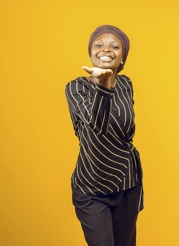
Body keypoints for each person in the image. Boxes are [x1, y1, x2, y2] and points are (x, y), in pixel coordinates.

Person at [65, 25, 144, 246]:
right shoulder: (76, 88)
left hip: (126, 183)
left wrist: (110, 83)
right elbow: (96, 127)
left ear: (122, 58)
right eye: (98, 45)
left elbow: (126, 131)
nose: (105, 50)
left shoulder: (126, 84)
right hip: (92, 188)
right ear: (90, 54)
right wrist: (103, 85)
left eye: (114, 46)